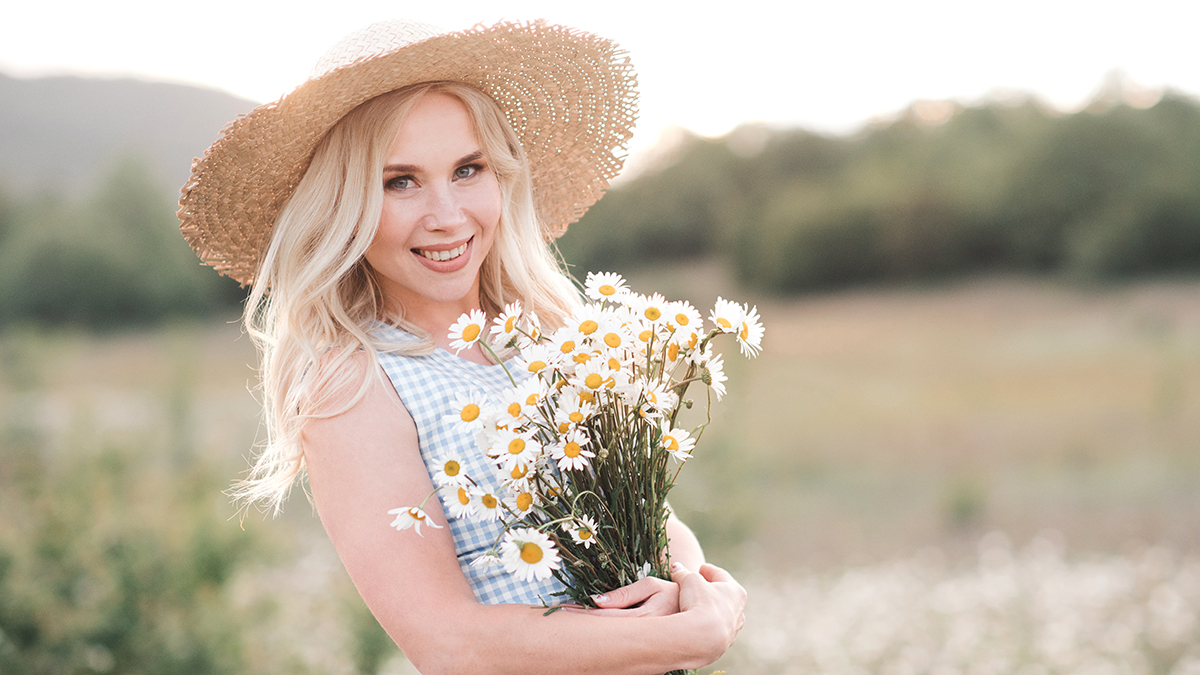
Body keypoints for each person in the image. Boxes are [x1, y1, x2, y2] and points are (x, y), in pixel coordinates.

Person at [179, 19, 746, 673]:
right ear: (343, 205)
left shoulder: (551, 339)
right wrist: (682, 638)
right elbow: (448, 642)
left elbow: (648, 518)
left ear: (502, 176)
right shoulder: (356, 382)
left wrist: (705, 588)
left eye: (467, 169)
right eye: (401, 181)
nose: (446, 215)